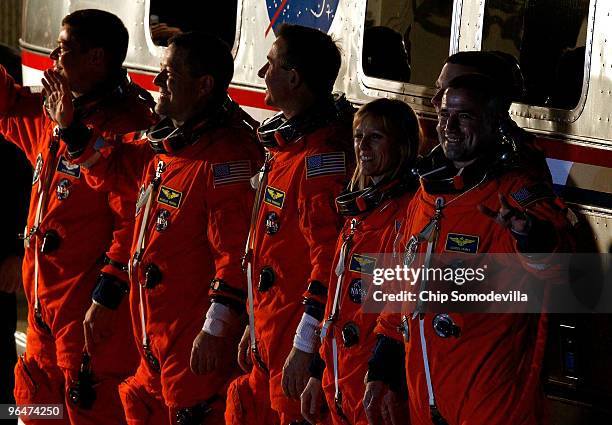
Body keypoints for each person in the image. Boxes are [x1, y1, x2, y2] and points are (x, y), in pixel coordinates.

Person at [49, 31, 263, 424]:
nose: (157, 82)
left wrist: (216, 329)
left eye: (169, 74)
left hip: (194, 344)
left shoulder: (226, 159)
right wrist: (71, 129)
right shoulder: (167, 147)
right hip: (156, 338)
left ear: (204, 86)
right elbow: (116, 166)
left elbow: (235, 258)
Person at [364, 74, 574, 425]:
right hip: (426, 400)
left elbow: (562, 271)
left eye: (465, 116)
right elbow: (401, 289)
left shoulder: (517, 196)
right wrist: (381, 369)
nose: (450, 126)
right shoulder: (427, 195)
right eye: (446, 114)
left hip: (492, 403)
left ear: (492, 122)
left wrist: (529, 237)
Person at [0, 9, 156, 424]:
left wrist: (108, 294)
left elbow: (133, 221)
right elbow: (6, 106)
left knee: (88, 413)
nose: (53, 55)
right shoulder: (55, 111)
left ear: (96, 58)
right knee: (36, 411)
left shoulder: (131, 124)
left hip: (89, 323)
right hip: (42, 321)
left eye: (65, 47)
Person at [225, 23, 354, 425]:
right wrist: (252, 322)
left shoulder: (320, 160)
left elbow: (328, 262)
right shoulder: (289, 149)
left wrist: (305, 343)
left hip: (293, 333)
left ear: (294, 77)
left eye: (270, 65)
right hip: (272, 326)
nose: (263, 74)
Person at [300, 98, 419, 425]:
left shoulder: (409, 214)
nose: (363, 146)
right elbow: (337, 307)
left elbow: (400, 310)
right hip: (341, 385)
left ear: (403, 144)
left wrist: (386, 376)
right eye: (358, 137)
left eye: (376, 137)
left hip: (374, 390)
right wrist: (317, 371)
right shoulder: (358, 216)